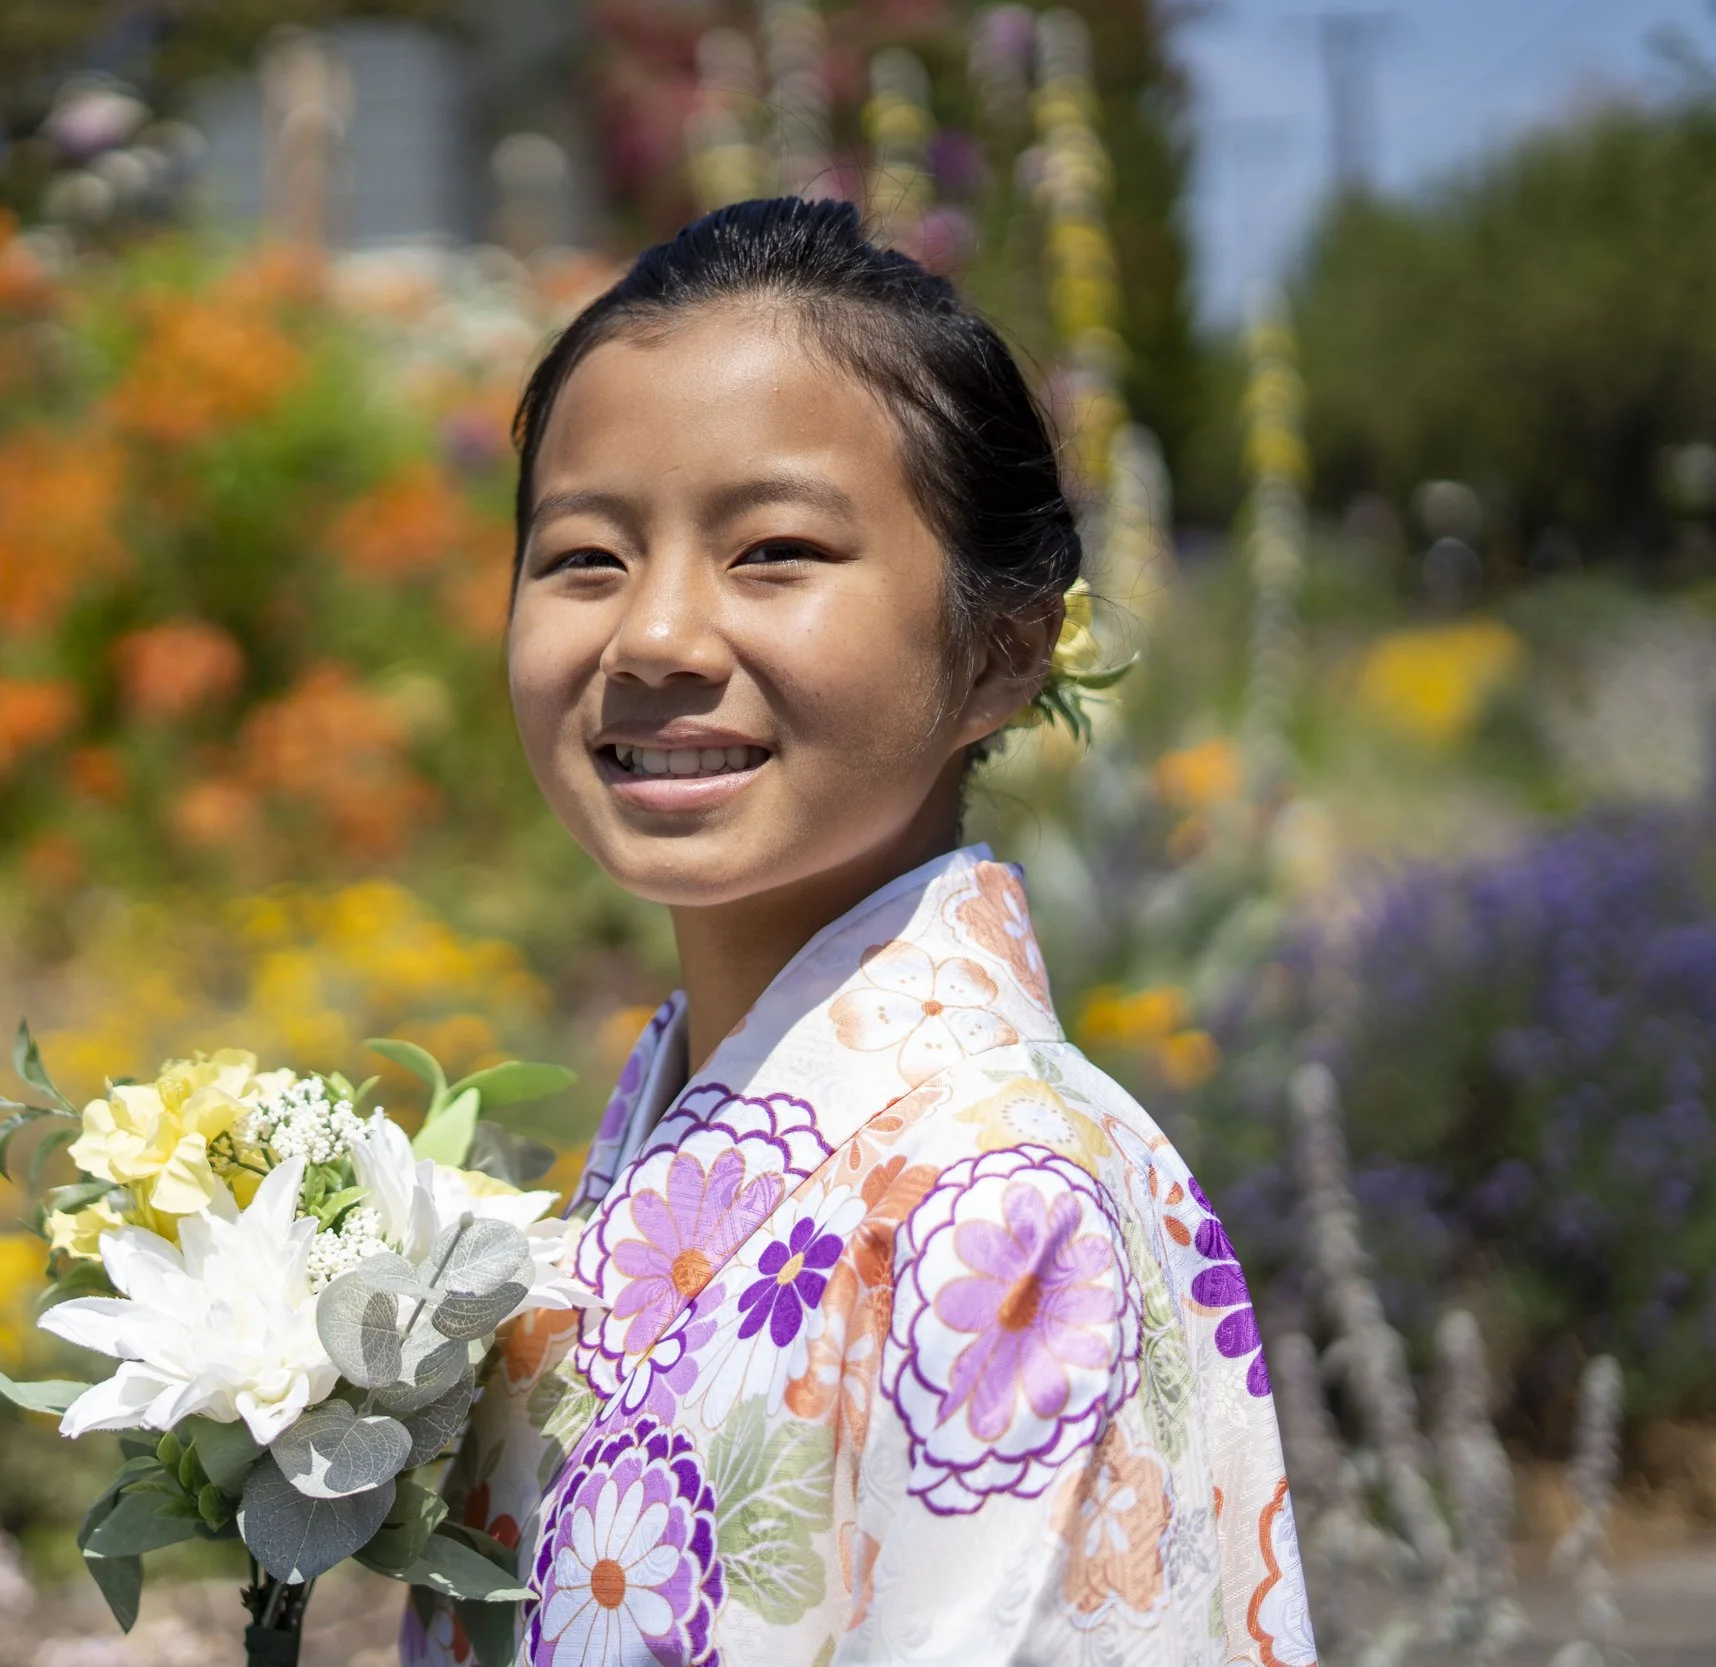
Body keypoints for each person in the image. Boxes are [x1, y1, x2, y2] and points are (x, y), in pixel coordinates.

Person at [398, 198, 1315, 1667]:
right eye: (584, 557)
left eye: (774, 549)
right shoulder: (687, 1144)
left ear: (1003, 650)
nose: (653, 636)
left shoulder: (1005, 1205)